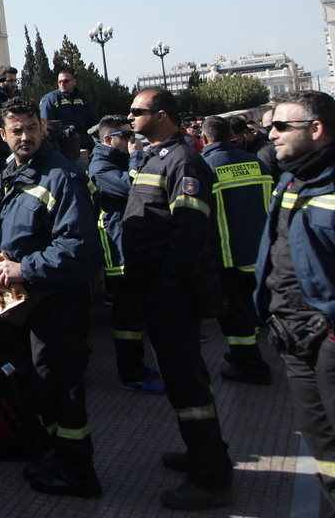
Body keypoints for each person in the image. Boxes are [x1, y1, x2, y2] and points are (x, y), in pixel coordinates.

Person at [0, 97, 103, 499]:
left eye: (32, 128)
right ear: (3, 134)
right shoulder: (9, 174)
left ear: (43, 129)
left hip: (59, 298)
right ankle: (56, 454)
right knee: (43, 385)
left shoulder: (61, 177)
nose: (25, 136)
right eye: (16, 130)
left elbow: (78, 246)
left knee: (62, 385)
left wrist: (22, 268)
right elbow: (14, 233)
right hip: (26, 300)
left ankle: (78, 471)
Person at [123, 87, 233, 510]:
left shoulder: (184, 161)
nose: (130, 117)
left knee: (186, 379)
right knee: (181, 376)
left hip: (171, 290)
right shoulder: (156, 156)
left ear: (163, 115)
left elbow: (189, 231)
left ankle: (210, 477)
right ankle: (204, 451)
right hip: (154, 286)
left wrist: (168, 283)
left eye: (138, 111)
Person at [254, 91, 335, 512]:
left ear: (316, 130)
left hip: (327, 339)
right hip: (292, 333)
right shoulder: (290, 179)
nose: (271, 134)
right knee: (321, 445)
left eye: (282, 126)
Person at [88, 116, 163, 395]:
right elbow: (134, 189)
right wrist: (135, 158)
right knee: (126, 318)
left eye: (134, 135)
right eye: (126, 136)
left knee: (136, 315)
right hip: (117, 252)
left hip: (130, 245)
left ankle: (139, 367)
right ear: (109, 140)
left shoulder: (116, 160)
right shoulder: (101, 167)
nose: (133, 141)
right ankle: (130, 374)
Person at [199, 115, 273, 385]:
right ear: (232, 136)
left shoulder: (205, 167)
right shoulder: (258, 163)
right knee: (253, 310)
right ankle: (247, 354)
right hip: (260, 250)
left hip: (226, 253)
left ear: (204, 139)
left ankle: (250, 365)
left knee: (235, 316)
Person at [40, 70, 99, 164]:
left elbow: (93, 121)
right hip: (62, 139)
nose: (62, 84)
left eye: (66, 81)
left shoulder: (83, 99)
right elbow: (45, 124)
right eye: (60, 82)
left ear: (74, 82)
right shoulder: (51, 99)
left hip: (82, 137)